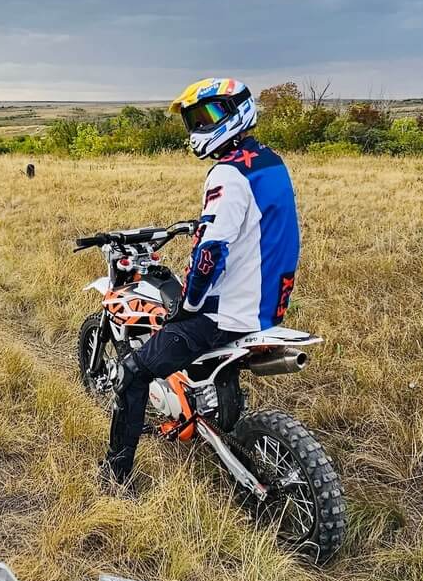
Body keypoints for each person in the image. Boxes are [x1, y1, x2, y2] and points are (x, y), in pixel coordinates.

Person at [100, 77, 300, 489]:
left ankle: (114, 477)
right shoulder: (268, 162)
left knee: (133, 371)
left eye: (208, 115)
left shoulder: (226, 175)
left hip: (226, 313)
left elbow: (211, 253)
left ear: (236, 112)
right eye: (193, 119)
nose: (198, 127)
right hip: (267, 304)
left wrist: (188, 304)